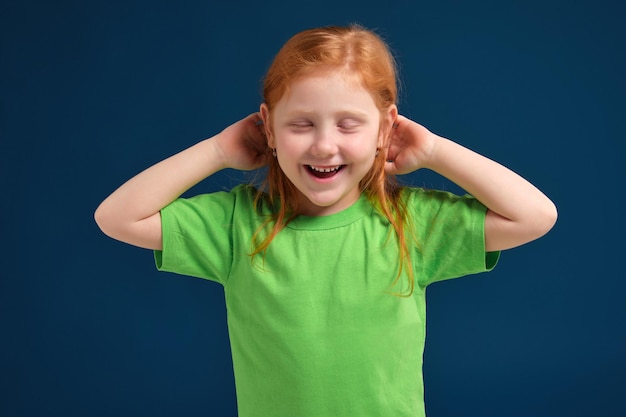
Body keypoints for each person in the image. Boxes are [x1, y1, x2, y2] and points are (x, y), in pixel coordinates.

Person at [95, 25, 557, 417]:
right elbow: (116, 217)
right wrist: (217, 150)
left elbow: (535, 216)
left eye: (348, 124)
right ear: (268, 128)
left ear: (385, 129)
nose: (323, 145)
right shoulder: (236, 224)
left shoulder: (410, 222)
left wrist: (435, 151)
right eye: (301, 124)